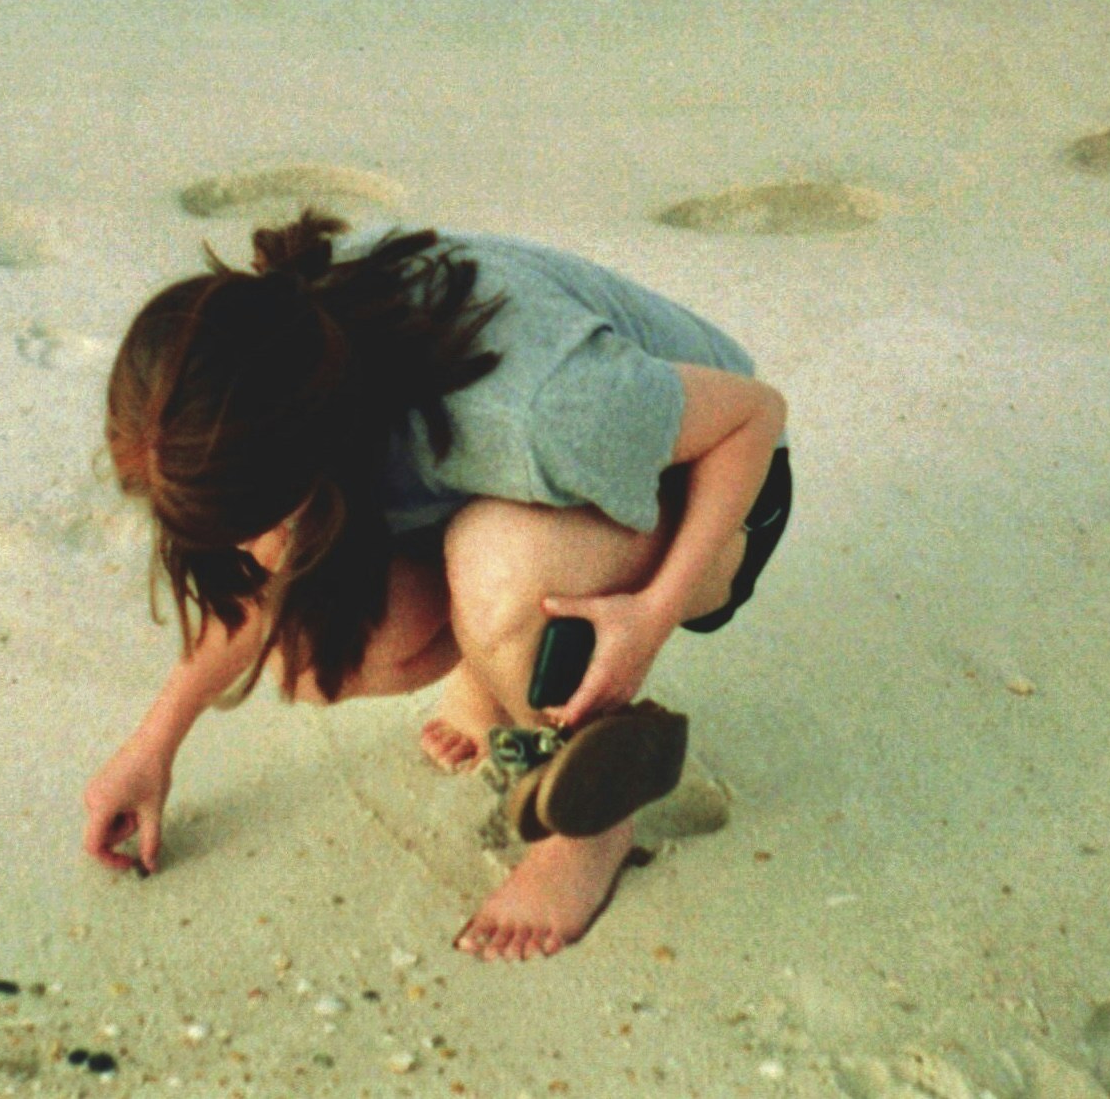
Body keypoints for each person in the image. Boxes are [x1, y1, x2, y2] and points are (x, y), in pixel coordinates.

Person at [80, 211, 792, 960]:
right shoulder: (262, 356)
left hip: (716, 486)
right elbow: (258, 595)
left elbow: (755, 415)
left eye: (258, 519)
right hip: (527, 472)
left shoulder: (543, 410)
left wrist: (651, 614)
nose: (253, 552)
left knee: (501, 565)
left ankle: (591, 827)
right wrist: (151, 744)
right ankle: (499, 666)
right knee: (315, 646)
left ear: (314, 445)